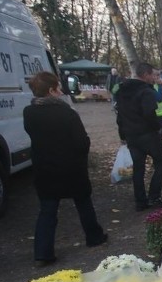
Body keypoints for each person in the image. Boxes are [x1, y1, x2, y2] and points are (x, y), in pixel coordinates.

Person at [23, 71, 107, 266]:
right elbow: (80, 141)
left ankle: (43, 252)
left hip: (45, 168)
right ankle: (94, 236)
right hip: (71, 167)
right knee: (83, 202)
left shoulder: (29, 113)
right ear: (51, 90)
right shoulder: (66, 112)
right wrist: (83, 148)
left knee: (48, 209)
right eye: (58, 88)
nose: (61, 92)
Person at [116, 61, 162, 211]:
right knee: (161, 162)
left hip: (131, 135)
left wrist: (123, 134)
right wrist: (157, 128)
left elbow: (120, 115)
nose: (154, 78)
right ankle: (154, 195)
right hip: (147, 134)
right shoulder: (146, 91)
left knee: (138, 168)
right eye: (153, 75)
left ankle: (140, 200)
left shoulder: (121, 90)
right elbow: (149, 114)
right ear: (145, 75)